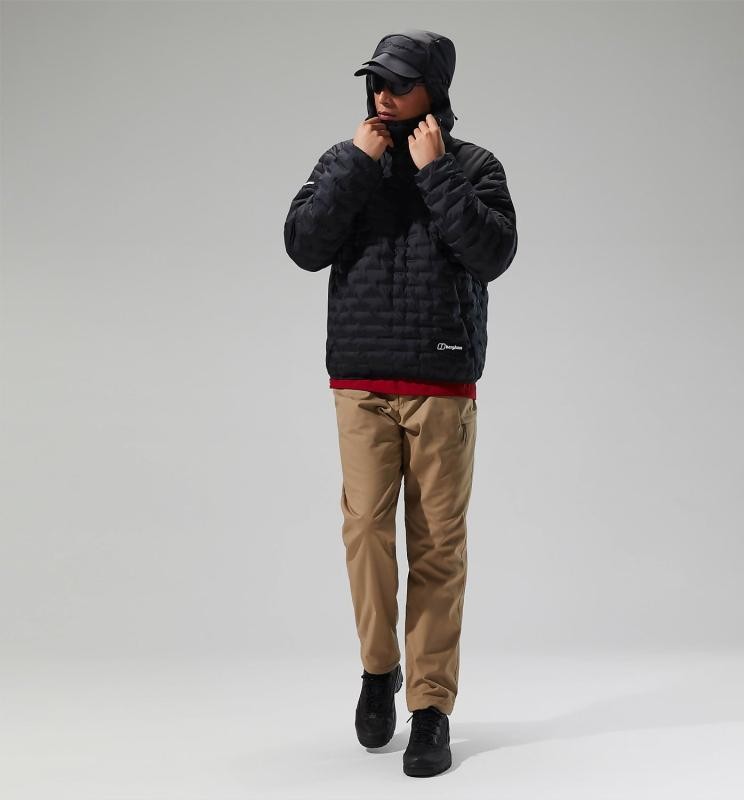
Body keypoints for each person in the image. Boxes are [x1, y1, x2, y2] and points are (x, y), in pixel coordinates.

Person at [283, 28, 518, 778]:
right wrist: (359, 164)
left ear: (434, 90)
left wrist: (436, 171)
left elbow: (493, 254)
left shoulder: (474, 166)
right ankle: (378, 669)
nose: (383, 95)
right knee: (365, 532)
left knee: (438, 545)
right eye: (377, 81)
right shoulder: (346, 158)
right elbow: (303, 244)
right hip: (360, 381)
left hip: (442, 381)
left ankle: (431, 707)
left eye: (400, 83)